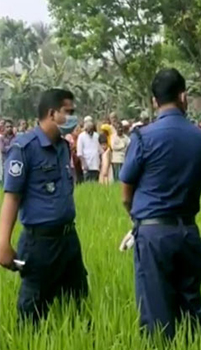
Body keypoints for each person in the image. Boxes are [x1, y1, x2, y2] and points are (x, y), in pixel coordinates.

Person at [120, 68, 201, 338]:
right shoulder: (199, 138)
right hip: (189, 233)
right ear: (184, 96)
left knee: (157, 321)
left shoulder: (144, 137)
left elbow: (126, 191)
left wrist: (137, 221)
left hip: (154, 236)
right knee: (191, 314)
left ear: (153, 101)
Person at [0, 89, 87, 323]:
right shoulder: (24, 148)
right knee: (33, 311)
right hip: (40, 243)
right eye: (68, 112)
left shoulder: (62, 146)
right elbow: (12, 197)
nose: (72, 118)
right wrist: (3, 243)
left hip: (68, 239)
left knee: (77, 304)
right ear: (51, 113)